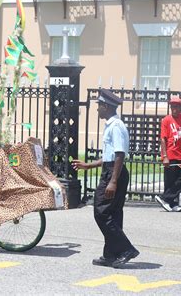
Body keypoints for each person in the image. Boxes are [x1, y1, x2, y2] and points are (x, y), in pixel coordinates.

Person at [72, 89, 139, 268]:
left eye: (99, 106)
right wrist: (88, 165)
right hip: (112, 170)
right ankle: (110, 255)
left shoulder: (116, 126)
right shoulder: (112, 125)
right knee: (113, 214)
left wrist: (113, 181)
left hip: (114, 173)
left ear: (106, 106)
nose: (97, 109)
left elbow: (119, 154)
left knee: (101, 212)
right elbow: (109, 156)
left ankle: (126, 249)